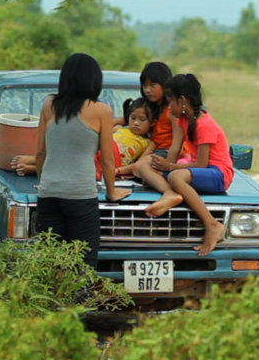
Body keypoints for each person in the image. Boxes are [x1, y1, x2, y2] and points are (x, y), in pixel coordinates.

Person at [34, 52, 130, 269]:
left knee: (51, 262)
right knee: (83, 265)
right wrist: (111, 191)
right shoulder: (101, 110)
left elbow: (40, 152)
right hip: (80, 196)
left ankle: (52, 303)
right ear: (94, 80)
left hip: (49, 193)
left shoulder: (49, 104)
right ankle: (78, 303)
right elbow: (107, 159)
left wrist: (44, 182)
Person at [139, 73, 233, 257]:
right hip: (195, 170)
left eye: (170, 101)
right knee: (144, 165)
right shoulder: (183, 120)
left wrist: (170, 168)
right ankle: (171, 193)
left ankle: (212, 225)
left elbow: (201, 163)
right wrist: (164, 163)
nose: (167, 106)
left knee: (176, 176)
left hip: (218, 173)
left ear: (182, 101)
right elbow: (174, 151)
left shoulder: (204, 123)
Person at [115, 96, 155, 177]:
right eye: (133, 118)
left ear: (153, 123)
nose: (136, 123)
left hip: (114, 164)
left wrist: (117, 171)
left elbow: (138, 164)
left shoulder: (148, 143)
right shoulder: (118, 128)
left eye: (142, 119)